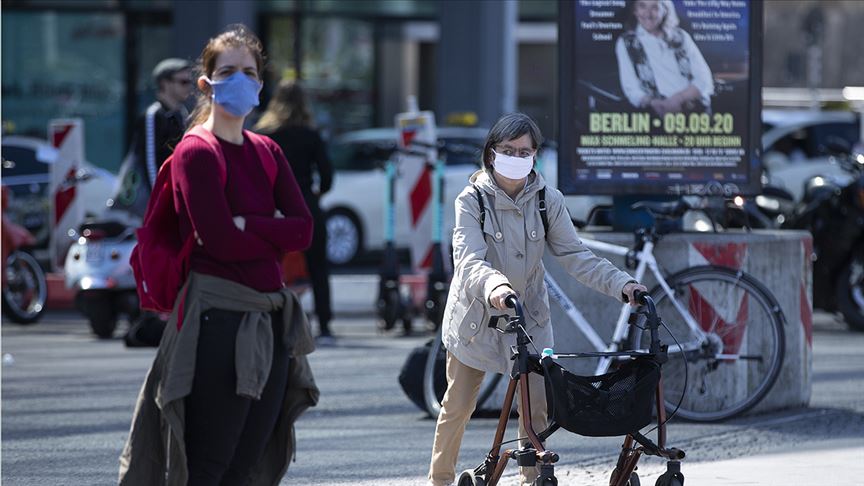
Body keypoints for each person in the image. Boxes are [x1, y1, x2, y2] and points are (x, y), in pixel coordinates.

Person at [119, 25, 318, 485]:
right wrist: (270, 232)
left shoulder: (267, 149)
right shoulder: (196, 152)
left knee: (249, 462)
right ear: (206, 83)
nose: (241, 80)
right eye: (228, 71)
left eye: (249, 72)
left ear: (261, 85)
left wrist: (248, 224)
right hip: (217, 319)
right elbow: (219, 239)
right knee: (210, 462)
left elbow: (304, 230)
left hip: (270, 319)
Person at [427, 113, 648, 486]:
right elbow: (468, 261)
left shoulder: (547, 199)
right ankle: (440, 480)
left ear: (535, 155)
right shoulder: (472, 200)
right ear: (491, 154)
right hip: (477, 318)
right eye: (508, 150)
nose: (516, 157)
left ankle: (533, 479)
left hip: (528, 318)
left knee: (536, 408)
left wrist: (622, 284)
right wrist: (495, 287)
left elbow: (576, 256)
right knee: (459, 404)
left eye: (524, 151)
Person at [120, 58, 195, 347]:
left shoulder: (182, 115)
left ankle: (172, 319)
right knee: (155, 258)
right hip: (159, 203)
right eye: (183, 81)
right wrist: (159, 203)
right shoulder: (153, 115)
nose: (188, 87)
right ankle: (149, 316)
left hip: (178, 202)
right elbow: (150, 162)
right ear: (164, 84)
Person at [255, 80, 335, 339]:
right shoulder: (311, 135)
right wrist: (315, 194)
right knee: (318, 267)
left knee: (270, 266)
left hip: (272, 207)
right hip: (306, 206)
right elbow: (327, 177)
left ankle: (267, 318)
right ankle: (324, 323)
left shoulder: (264, 135)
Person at [615, 0, 714, 115]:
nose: (648, 14)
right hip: (658, 113)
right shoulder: (626, 42)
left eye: (655, 7)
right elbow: (631, 89)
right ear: (635, 11)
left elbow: (704, 79)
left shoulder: (681, 36)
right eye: (642, 6)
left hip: (695, 110)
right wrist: (655, 103)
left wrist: (678, 99)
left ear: (665, 10)